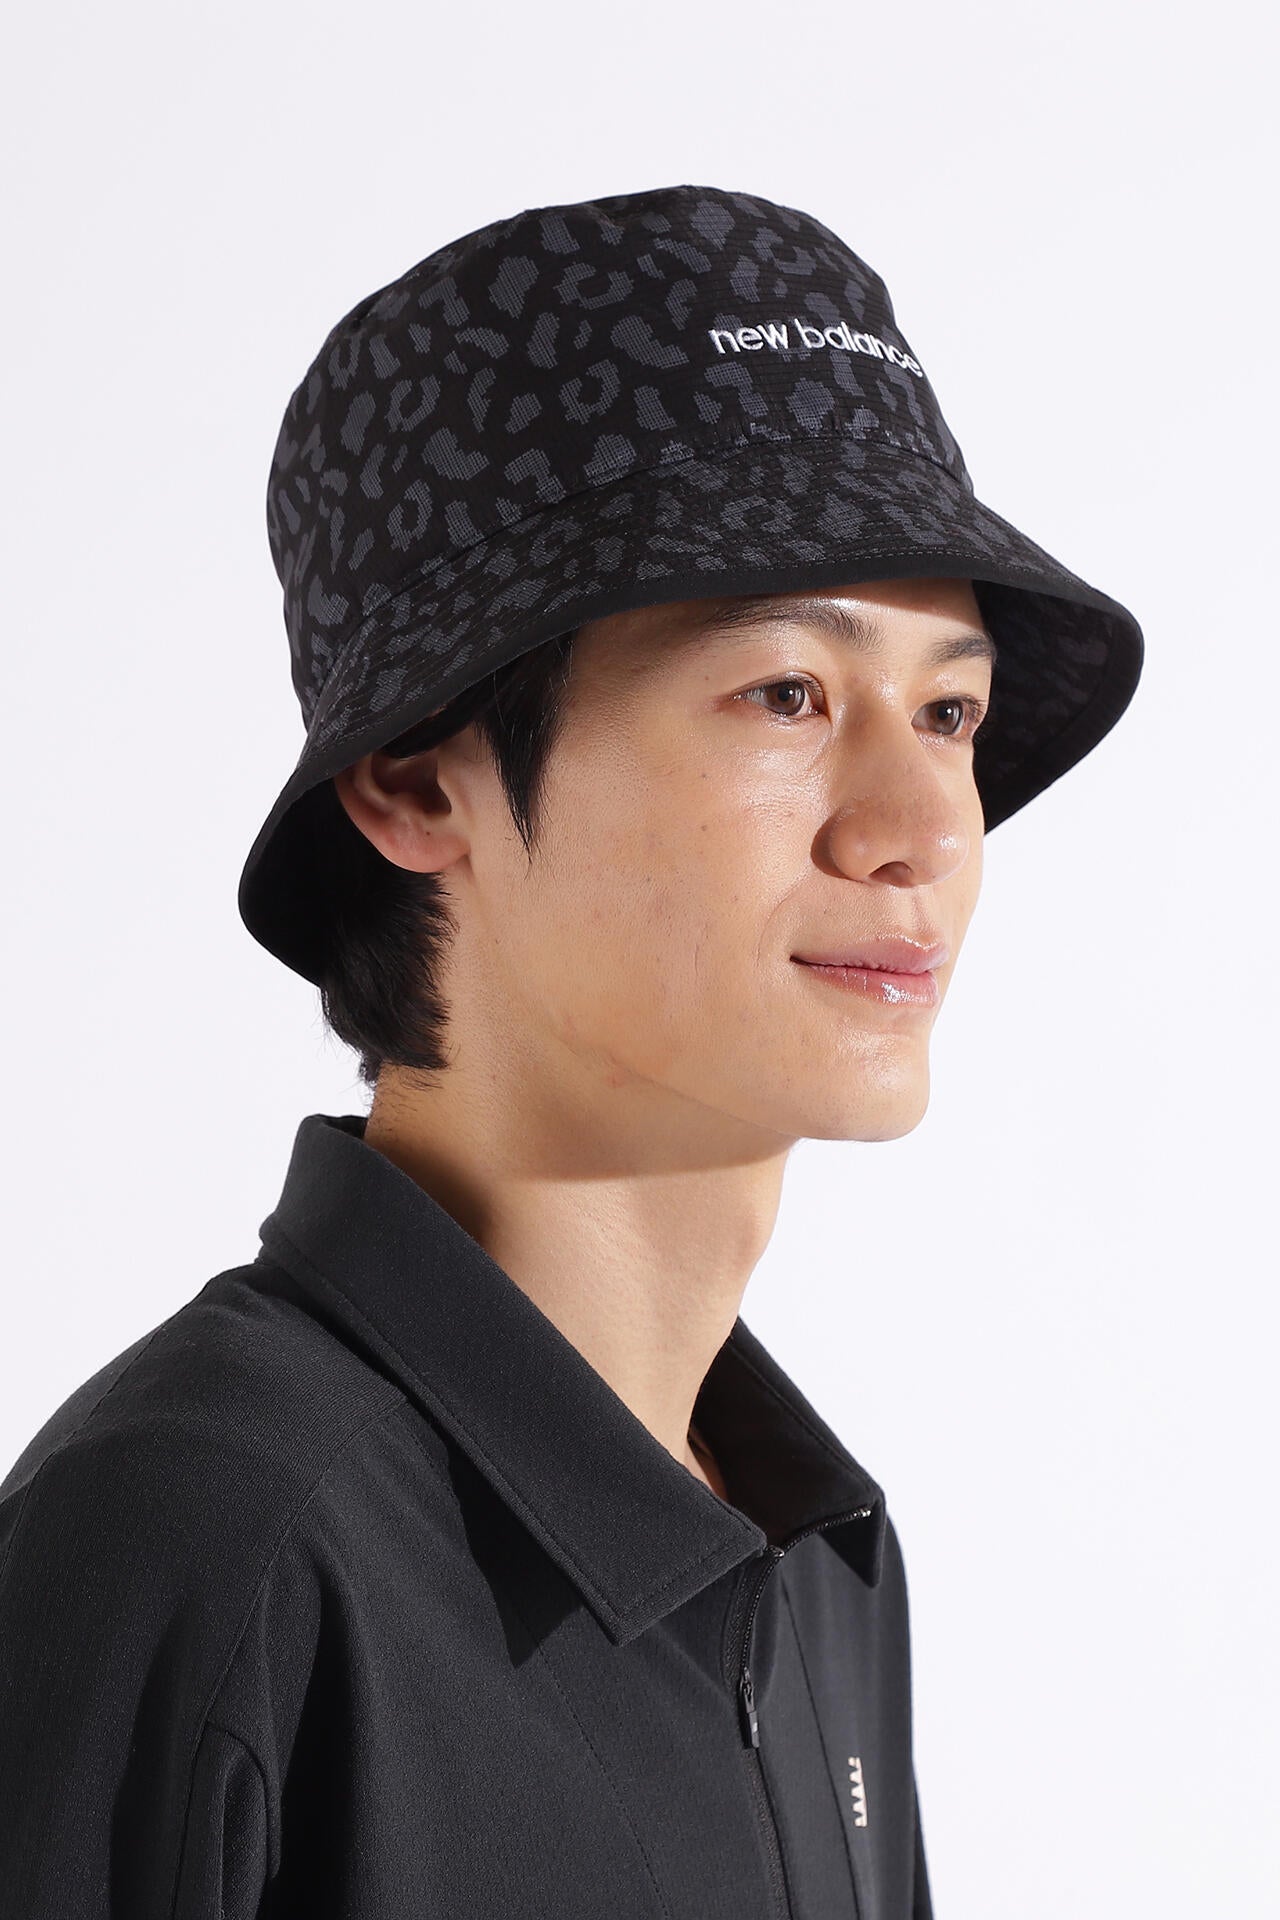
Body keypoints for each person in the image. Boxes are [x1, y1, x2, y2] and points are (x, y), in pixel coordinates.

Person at [0, 183, 1143, 1918]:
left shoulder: (817, 1553)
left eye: (949, 712)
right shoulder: (202, 1543)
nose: (923, 828)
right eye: (785, 693)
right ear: (418, 779)